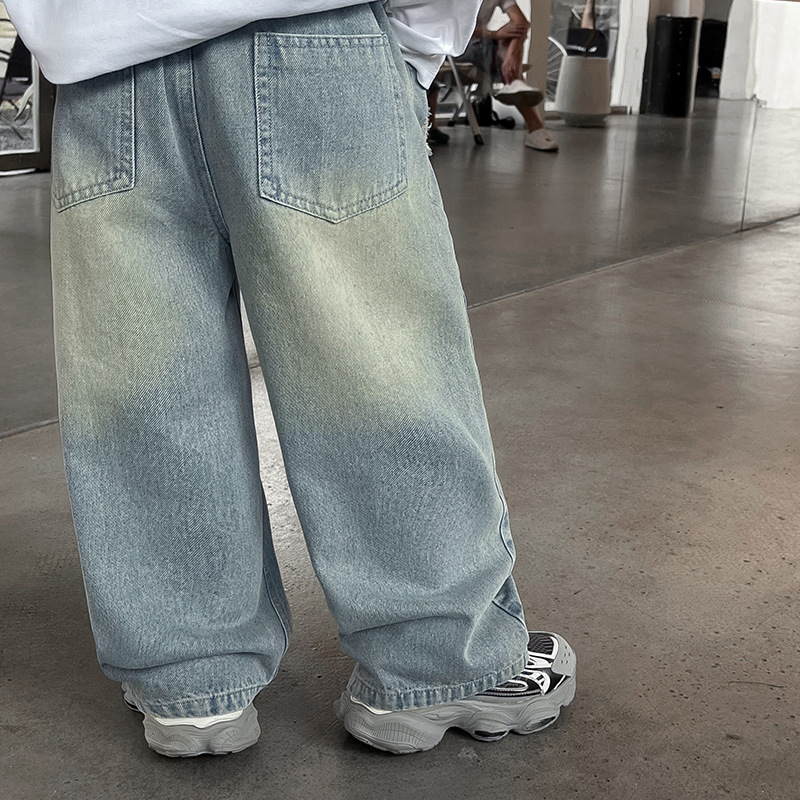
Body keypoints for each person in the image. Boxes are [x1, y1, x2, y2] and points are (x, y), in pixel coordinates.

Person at [5, 0, 576, 757]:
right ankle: (439, 664)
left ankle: (189, 681)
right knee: (373, 361)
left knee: (143, 385)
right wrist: (413, 45)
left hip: (103, 72)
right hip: (313, 40)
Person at [455, 0, 560, 151]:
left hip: (482, 45)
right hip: (455, 46)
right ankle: (534, 126)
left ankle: (513, 80)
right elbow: (451, 29)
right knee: (497, 42)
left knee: (507, 38)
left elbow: (521, 22)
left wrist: (511, 55)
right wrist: (495, 34)